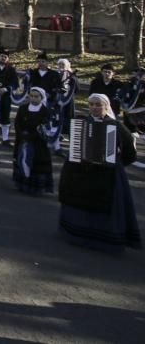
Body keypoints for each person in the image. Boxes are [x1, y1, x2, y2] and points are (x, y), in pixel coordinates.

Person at [57, 93, 141, 252]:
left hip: (107, 174)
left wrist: (116, 164)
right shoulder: (81, 123)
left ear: (106, 106)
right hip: (83, 171)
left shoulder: (116, 126)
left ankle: (103, 238)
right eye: (91, 104)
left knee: (105, 202)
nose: (94, 108)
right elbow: (76, 149)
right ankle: (78, 233)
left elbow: (130, 153)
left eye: (98, 105)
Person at [11, 86, 54, 195]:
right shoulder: (23, 108)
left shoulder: (45, 111)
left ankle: (36, 187)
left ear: (41, 97)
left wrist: (32, 136)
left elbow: (44, 126)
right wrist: (21, 134)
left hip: (38, 142)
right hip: (22, 139)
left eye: (36, 97)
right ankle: (22, 184)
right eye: (32, 96)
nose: (34, 98)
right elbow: (17, 123)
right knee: (22, 159)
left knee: (36, 162)